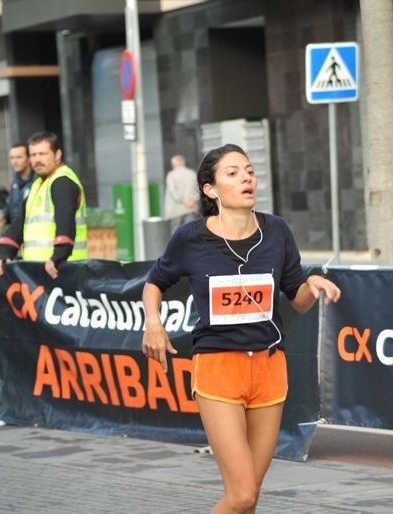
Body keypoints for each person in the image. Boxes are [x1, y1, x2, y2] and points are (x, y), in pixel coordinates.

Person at [141, 143, 341, 514]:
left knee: (249, 498)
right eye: (232, 173)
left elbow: (296, 296)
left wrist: (311, 287)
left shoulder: (277, 231)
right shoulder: (190, 238)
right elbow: (154, 282)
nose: (246, 177)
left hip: (268, 369)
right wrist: (153, 324)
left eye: (248, 170)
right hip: (218, 368)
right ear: (210, 189)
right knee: (242, 495)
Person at [0, 131, 87, 279]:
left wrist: (58, 257)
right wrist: (2, 252)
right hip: (38, 271)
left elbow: (65, 223)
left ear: (58, 154)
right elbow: (20, 224)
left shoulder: (62, 181)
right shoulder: (38, 184)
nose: (37, 160)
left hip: (62, 271)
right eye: (33, 155)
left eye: (43, 154)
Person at [164, 154, 200, 232]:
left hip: (175, 210)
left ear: (173, 164)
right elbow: (199, 190)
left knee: (176, 233)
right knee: (190, 232)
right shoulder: (192, 173)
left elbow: (172, 192)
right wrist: (193, 200)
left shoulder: (171, 175)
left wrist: (183, 200)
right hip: (190, 208)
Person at [2, 143, 35, 224]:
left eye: (19, 157)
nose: (14, 161)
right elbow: (9, 210)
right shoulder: (14, 183)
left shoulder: (38, 180)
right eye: (12, 158)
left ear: (29, 158)